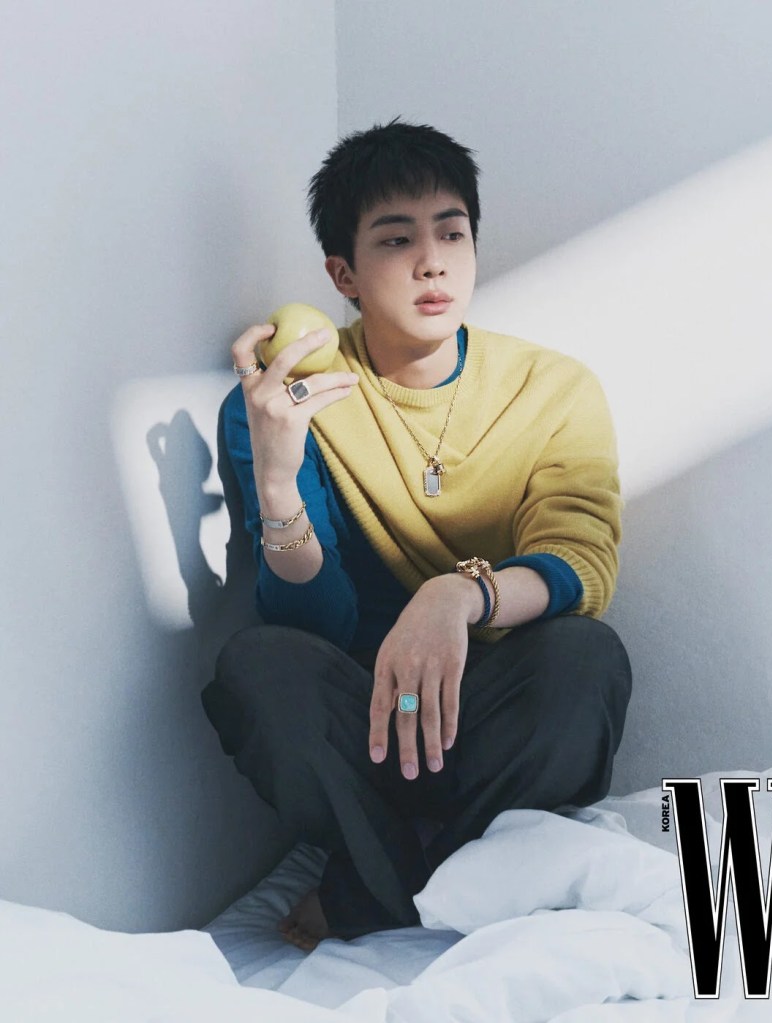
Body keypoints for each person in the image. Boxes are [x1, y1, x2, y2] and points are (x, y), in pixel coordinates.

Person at [201, 118, 632, 952]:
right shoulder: (284, 403)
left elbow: (581, 563)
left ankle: (379, 887)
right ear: (343, 273)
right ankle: (426, 883)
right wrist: (279, 478)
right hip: (365, 726)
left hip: (490, 720)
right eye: (396, 239)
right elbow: (313, 619)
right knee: (258, 664)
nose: (432, 261)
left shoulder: (552, 388)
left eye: (451, 233)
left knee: (586, 655)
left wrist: (456, 596)